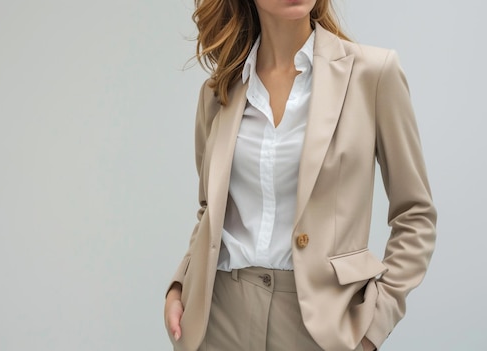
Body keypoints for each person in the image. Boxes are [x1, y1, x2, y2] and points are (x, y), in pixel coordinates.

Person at [164, 0, 437, 350]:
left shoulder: (373, 73)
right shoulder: (219, 93)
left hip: (320, 326)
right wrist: (180, 286)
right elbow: (210, 212)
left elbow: (416, 215)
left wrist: (373, 327)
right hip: (219, 320)